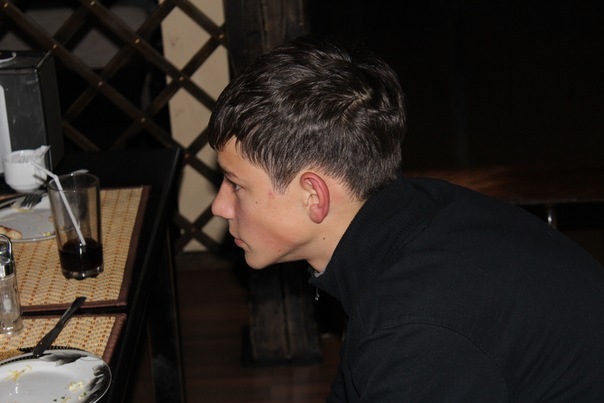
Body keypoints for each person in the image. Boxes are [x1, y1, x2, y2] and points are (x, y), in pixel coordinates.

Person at [208, 35, 604, 401]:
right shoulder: (410, 215)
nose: (219, 206)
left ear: (314, 196)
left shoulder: (414, 328)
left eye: (235, 184)